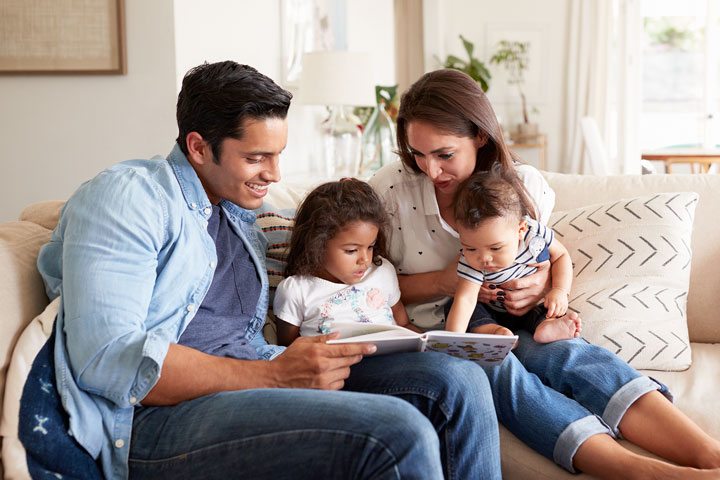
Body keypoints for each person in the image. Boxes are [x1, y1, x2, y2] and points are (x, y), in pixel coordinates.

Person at [24, 61, 501, 480]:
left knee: (459, 381)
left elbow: (319, 252)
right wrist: (274, 378)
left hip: (261, 374)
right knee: (397, 433)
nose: (273, 174)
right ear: (197, 146)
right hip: (156, 419)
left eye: (278, 156)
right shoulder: (129, 197)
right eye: (256, 158)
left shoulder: (240, 212)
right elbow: (107, 358)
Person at [369, 68, 720, 479]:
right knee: (496, 368)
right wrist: (446, 282)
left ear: (480, 136)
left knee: (569, 354)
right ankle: (636, 471)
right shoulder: (389, 190)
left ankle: (709, 455)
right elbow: (364, 286)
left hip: (517, 316)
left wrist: (539, 289)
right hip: (447, 330)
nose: (431, 170)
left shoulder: (523, 186)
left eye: (444, 154)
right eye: (417, 154)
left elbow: (543, 259)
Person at [274, 179, 421, 346]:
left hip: (394, 360)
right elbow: (288, 352)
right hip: (339, 368)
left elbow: (403, 325)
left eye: (370, 247)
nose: (365, 260)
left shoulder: (382, 271)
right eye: (351, 251)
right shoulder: (295, 290)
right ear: (317, 244)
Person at [445, 170, 582, 343]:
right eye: (470, 248)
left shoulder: (534, 236)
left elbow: (561, 255)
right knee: (455, 305)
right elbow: (466, 299)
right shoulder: (470, 261)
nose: (484, 258)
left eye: (495, 248)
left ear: (520, 230)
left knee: (547, 307)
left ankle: (546, 327)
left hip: (530, 306)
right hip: (493, 312)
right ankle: (492, 330)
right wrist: (451, 342)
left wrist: (560, 290)